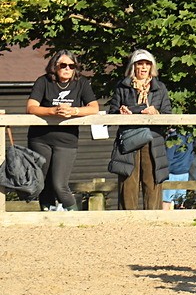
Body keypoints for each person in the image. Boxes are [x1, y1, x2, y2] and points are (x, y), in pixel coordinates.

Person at [25, 50, 100, 211]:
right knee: (42, 182)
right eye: (63, 65)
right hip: (40, 139)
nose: (67, 69)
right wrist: (53, 111)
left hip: (67, 141)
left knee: (60, 184)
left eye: (71, 66)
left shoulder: (81, 83)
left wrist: (74, 111)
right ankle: (47, 214)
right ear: (55, 66)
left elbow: (94, 107)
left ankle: (76, 216)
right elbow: (31, 107)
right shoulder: (43, 81)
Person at [107, 49, 172, 210]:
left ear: (152, 67)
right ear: (133, 66)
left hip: (153, 141)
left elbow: (168, 116)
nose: (143, 68)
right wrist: (121, 112)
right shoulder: (123, 87)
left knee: (152, 184)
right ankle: (127, 222)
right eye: (140, 64)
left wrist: (156, 113)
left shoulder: (160, 88)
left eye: (147, 64)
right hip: (129, 140)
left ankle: (153, 222)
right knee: (128, 184)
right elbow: (112, 112)